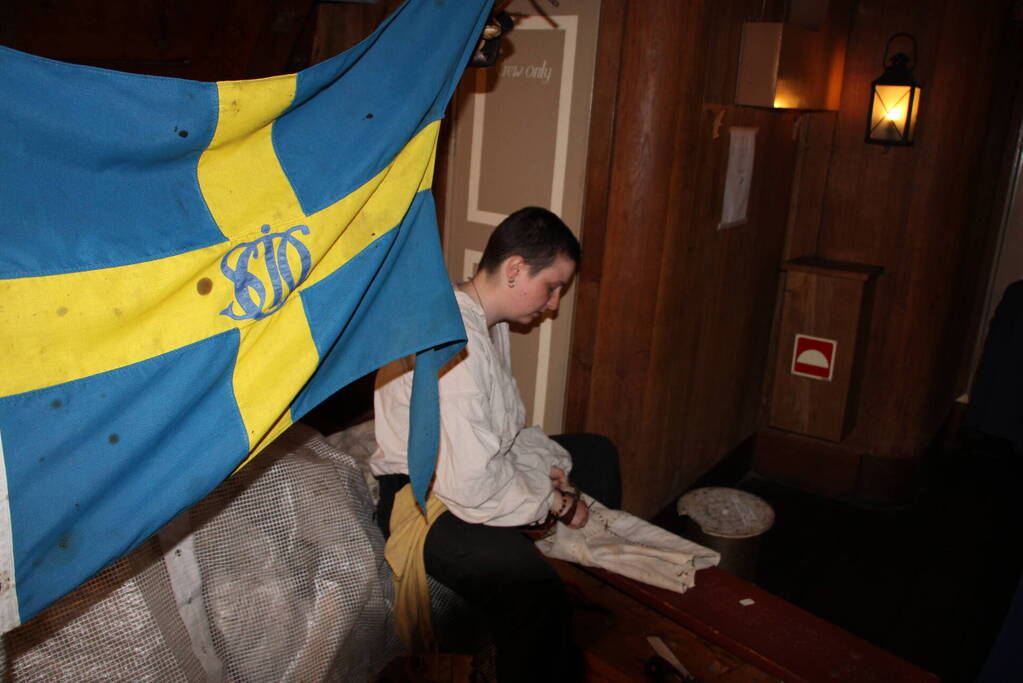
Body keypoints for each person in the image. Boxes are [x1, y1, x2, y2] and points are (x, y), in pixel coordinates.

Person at [371, 206, 620, 681]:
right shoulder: (455, 341)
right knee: (535, 595)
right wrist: (556, 503)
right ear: (515, 269)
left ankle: (576, 578)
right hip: (426, 497)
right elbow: (470, 481)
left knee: (596, 453)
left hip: (467, 470)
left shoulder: (483, 320)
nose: (553, 304)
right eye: (552, 286)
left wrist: (547, 467)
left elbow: (501, 435)